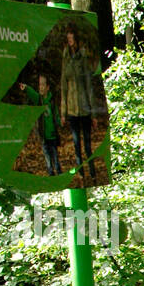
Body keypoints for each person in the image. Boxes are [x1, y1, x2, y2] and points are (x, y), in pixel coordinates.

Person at [59, 25, 98, 181]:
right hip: (72, 110)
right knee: (76, 144)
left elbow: (89, 87)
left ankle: (93, 172)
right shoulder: (65, 58)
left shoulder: (83, 58)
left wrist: (94, 113)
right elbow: (63, 87)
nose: (71, 42)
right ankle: (81, 173)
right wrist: (63, 112)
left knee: (87, 145)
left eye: (72, 38)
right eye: (68, 39)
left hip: (85, 109)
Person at [20, 72, 62, 175]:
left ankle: (58, 170)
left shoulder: (51, 102)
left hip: (52, 135)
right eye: (39, 85)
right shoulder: (39, 100)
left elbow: (56, 115)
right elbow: (32, 94)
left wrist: (59, 123)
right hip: (43, 136)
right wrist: (26, 88)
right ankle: (50, 172)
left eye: (43, 85)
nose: (41, 87)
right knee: (47, 156)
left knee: (55, 155)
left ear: (47, 87)